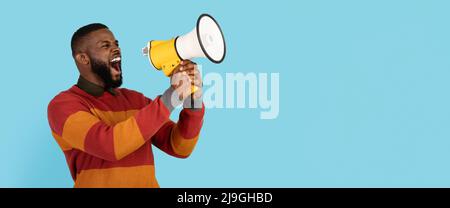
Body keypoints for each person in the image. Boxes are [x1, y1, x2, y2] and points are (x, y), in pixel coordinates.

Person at [47, 23, 204, 188]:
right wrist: (171, 97)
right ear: (83, 58)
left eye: (117, 44)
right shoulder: (63, 106)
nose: (116, 49)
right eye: (105, 45)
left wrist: (193, 99)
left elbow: (180, 148)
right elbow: (110, 146)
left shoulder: (136, 100)